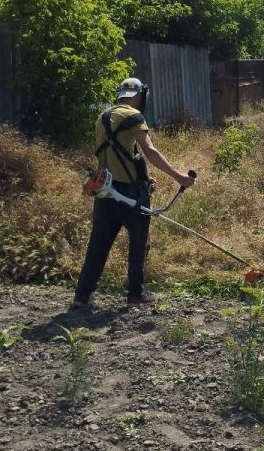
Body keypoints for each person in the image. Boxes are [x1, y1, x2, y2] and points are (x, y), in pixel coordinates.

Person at [73, 77, 195, 309]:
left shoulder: (102, 117)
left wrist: (144, 176)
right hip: (129, 194)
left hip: (105, 191)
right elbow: (149, 149)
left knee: (98, 244)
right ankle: (135, 295)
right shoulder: (134, 116)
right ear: (139, 95)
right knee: (140, 242)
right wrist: (179, 177)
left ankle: (82, 295)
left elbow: (118, 153)